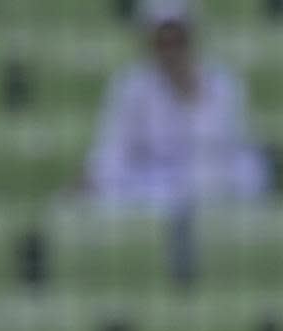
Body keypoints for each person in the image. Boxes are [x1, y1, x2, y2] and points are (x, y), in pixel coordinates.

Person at [85, 0, 270, 209]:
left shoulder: (223, 85)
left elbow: (241, 152)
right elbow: (113, 155)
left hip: (214, 190)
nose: (171, 51)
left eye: (178, 40)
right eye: (163, 42)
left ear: (191, 38)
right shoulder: (131, 87)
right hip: (149, 193)